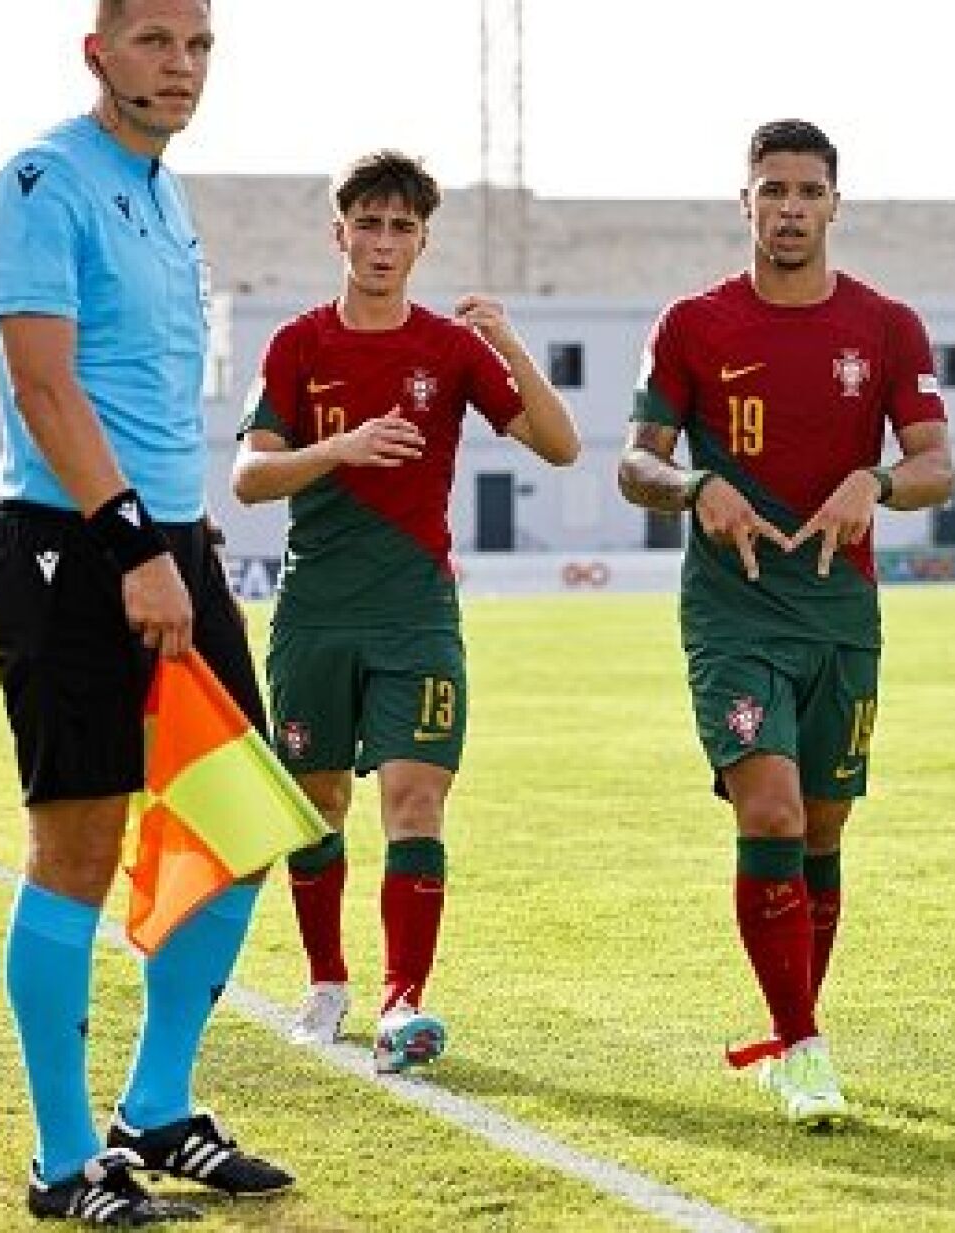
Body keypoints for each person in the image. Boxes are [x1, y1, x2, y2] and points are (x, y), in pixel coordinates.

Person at [0, 1, 293, 1223]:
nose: (183, 65)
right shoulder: (43, 177)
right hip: (72, 547)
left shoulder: (166, 194)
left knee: (241, 821)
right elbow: (45, 387)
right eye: (157, 40)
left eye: (200, 44)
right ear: (97, 51)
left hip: (171, 541)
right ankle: (65, 1163)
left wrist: (184, 531)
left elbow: (148, 392)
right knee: (78, 851)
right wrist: (129, 543)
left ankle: (155, 1108)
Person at [618, 119, 953, 1126]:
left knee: (823, 824)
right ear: (746, 203)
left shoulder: (888, 327)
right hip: (734, 614)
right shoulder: (693, 324)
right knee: (769, 811)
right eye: (774, 190)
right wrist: (694, 487)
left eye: (809, 191)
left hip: (841, 613)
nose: (791, 208)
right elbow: (636, 462)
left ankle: (794, 1030)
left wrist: (876, 478)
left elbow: (937, 465)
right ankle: (801, 1046)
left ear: (834, 205)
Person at [232, 150, 579, 1076]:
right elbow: (249, 477)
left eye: (402, 228)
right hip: (314, 611)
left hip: (417, 612)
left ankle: (401, 1002)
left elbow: (560, 444)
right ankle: (327, 981)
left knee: (416, 802)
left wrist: (508, 346)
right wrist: (338, 446)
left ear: (422, 242)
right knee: (318, 804)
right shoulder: (298, 344)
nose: (384, 243)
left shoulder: (450, 348)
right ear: (338, 231)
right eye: (369, 224)